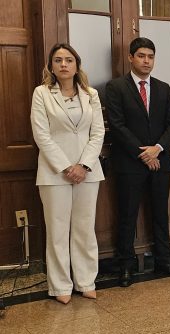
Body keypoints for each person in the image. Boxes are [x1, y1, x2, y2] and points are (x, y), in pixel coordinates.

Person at [105, 37, 170, 287]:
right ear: (131, 57)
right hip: (130, 163)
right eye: (141, 55)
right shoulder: (116, 87)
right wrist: (144, 153)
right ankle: (126, 266)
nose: (146, 61)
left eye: (150, 56)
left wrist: (158, 149)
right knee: (127, 216)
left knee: (160, 214)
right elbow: (117, 126)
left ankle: (164, 260)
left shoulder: (163, 88)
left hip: (161, 161)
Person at [30, 43, 104, 304]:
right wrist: (66, 167)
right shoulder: (42, 93)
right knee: (58, 230)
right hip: (54, 173)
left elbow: (98, 133)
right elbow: (42, 135)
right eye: (58, 60)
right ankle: (60, 285)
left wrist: (83, 165)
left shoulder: (90, 94)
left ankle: (86, 281)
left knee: (85, 229)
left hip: (88, 172)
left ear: (76, 65)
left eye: (69, 60)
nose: (64, 64)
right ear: (51, 65)